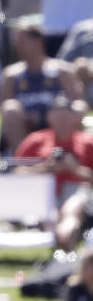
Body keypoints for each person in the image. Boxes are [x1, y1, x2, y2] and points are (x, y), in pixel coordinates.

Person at [15, 96, 93, 249]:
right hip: (43, 190)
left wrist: (76, 169)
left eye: (66, 116)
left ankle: (64, 239)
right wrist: (45, 168)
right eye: (58, 115)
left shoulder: (87, 142)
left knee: (71, 210)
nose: (62, 121)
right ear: (49, 117)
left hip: (76, 189)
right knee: (51, 215)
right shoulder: (36, 140)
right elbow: (17, 173)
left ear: (75, 118)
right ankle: (61, 243)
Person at [0, 17, 84, 153]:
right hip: (26, 127)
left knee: (78, 108)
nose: (18, 46)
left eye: (23, 41)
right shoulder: (11, 75)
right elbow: (3, 110)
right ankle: (23, 162)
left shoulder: (62, 70)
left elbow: (77, 103)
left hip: (58, 123)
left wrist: (50, 115)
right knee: (10, 109)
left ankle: (73, 154)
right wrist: (28, 117)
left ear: (38, 42)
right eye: (17, 42)